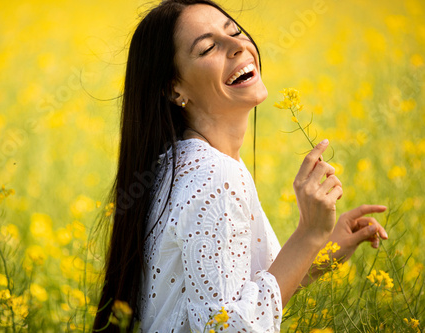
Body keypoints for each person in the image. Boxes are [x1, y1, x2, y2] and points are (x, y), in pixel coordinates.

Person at [92, 0, 389, 332]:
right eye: (207, 48)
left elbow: (237, 290)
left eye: (234, 32)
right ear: (174, 89)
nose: (238, 46)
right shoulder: (214, 175)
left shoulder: (178, 164)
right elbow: (231, 327)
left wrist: (321, 250)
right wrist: (309, 233)